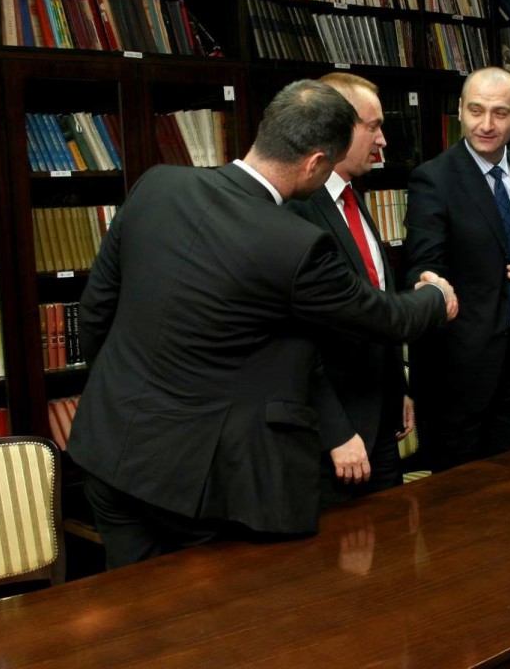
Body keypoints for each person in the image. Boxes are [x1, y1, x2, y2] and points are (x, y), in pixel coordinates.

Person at [68, 79, 458, 569]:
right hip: (193, 480)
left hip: (107, 450)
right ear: (316, 163)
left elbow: (96, 312)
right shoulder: (293, 244)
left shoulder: (157, 186)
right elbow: (382, 317)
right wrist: (435, 296)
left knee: (132, 600)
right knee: (208, 607)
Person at [405, 66, 510, 470]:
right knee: (461, 496)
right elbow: (423, 264)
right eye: (476, 110)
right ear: (460, 110)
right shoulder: (433, 179)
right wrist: (427, 284)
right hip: (458, 373)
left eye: (500, 113)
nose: (486, 125)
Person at [285, 72, 413, 505]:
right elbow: (296, 339)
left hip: (380, 420)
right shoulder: (299, 207)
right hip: (333, 441)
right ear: (336, 126)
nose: (383, 140)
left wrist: (397, 389)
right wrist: (336, 431)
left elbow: (377, 303)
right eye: (373, 126)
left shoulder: (354, 200)